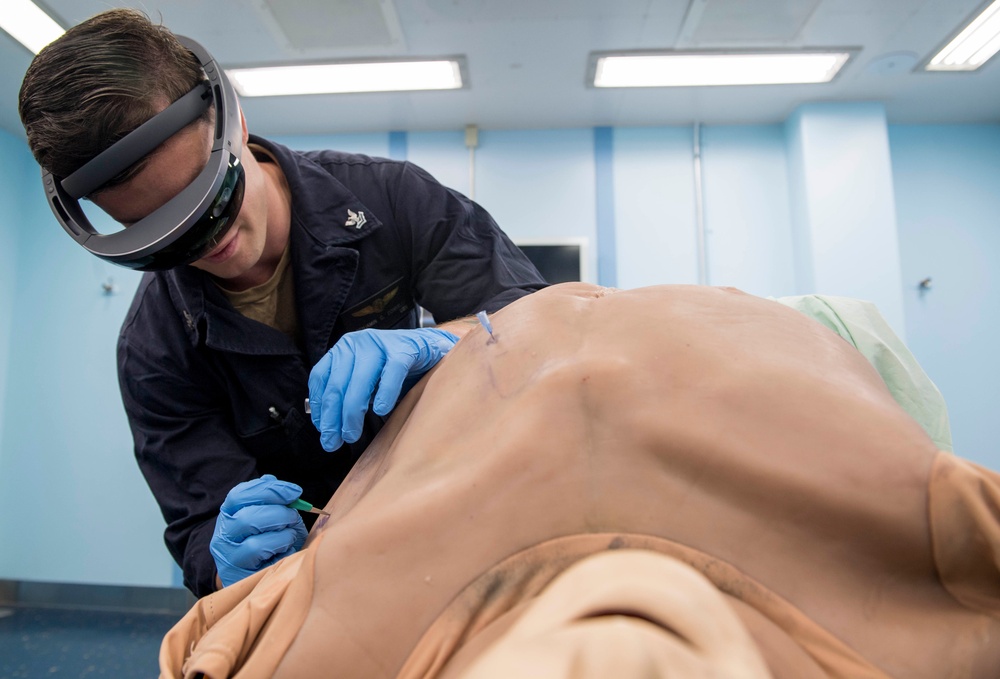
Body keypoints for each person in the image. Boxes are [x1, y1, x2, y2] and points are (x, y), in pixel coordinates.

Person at [159, 282, 1000, 678]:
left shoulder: (315, 647)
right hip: (767, 349)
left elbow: (499, 306)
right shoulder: (924, 616)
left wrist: (247, 574)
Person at [17, 9, 547, 597]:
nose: (206, 240)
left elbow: (546, 325)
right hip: (315, 588)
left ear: (235, 122)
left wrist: (449, 343)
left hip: (460, 531)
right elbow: (200, 526)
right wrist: (230, 560)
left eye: (208, 196)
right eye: (162, 233)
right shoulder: (153, 348)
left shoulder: (393, 199)